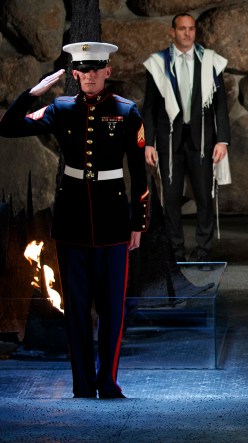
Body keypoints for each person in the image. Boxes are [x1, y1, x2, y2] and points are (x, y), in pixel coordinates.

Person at [0, 42, 148, 398]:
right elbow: (7, 127)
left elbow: (139, 174)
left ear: (107, 72)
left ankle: (108, 382)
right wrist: (35, 92)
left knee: (112, 310)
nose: (91, 75)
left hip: (113, 222)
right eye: (84, 69)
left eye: (97, 68)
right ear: (75, 74)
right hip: (72, 222)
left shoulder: (127, 112)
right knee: (77, 310)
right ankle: (82, 384)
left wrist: (137, 223)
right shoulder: (61, 108)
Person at [142, 13, 230, 263]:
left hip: (202, 140)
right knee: (170, 198)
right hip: (169, 139)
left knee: (204, 196)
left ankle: (203, 251)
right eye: (182, 29)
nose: (188, 33)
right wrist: (148, 142)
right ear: (173, 32)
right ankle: (175, 251)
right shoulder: (158, 63)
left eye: (191, 29)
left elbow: (221, 106)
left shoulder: (210, 61)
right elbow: (149, 107)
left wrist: (222, 139)